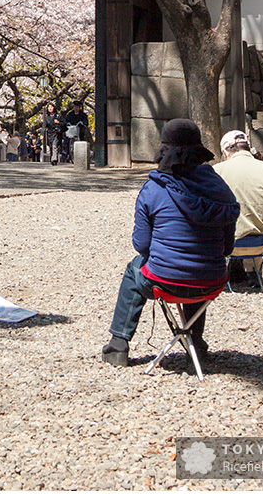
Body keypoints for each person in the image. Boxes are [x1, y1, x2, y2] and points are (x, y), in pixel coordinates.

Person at [102, 119, 239, 367]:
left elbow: (141, 245)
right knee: (199, 266)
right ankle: (195, 343)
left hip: (164, 281)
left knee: (135, 269)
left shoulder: (153, 189)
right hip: (211, 282)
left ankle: (118, 346)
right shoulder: (220, 188)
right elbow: (227, 248)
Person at [214, 130, 263, 284]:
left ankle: (227, 270)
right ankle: (253, 271)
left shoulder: (217, 171)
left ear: (226, 151)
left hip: (227, 244)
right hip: (261, 242)